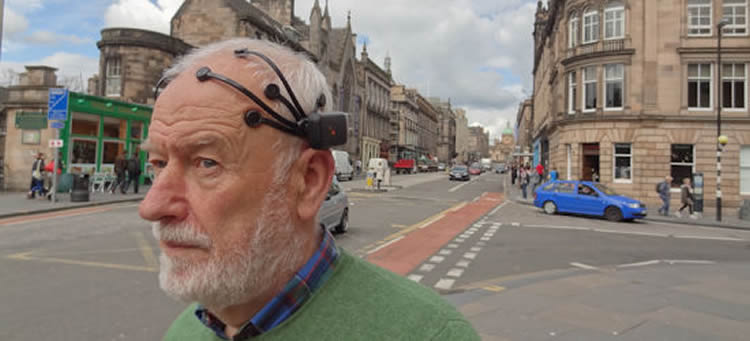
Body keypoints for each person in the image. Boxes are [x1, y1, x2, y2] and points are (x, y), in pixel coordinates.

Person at [139, 39, 479, 341]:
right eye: (157, 163)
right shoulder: (186, 329)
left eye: (206, 163)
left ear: (310, 181)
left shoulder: (429, 334)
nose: (151, 206)